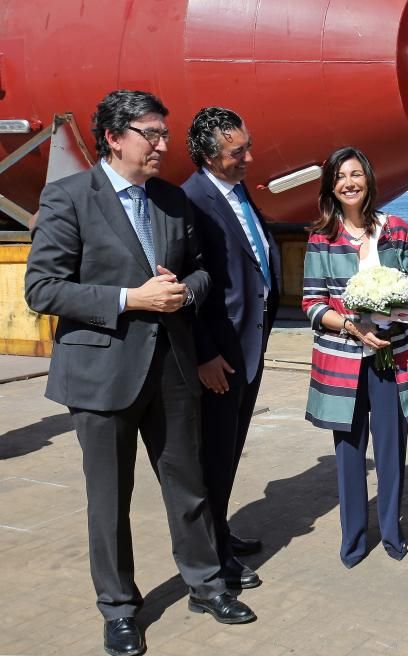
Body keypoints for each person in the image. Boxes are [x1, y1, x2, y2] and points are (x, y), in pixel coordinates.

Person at [24, 90, 256, 656]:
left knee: (189, 486)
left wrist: (181, 292)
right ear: (113, 137)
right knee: (110, 498)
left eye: (163, 133)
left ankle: (205, 584)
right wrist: (133, 298)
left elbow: (202, 272)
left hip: (172, 369)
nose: (161, 144)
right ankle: (120, 608)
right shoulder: (68, 198)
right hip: (102, 376)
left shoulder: (173, 201)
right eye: (150, 133)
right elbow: (42, 289)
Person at [302, 146, 408, 568]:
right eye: (341, 175)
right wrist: (350, 325)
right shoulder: (321, 237)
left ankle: (393, 531)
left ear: (369, 179)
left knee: (392, 447)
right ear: (331, 185)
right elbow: (311, 302)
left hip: (392, 355)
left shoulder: (395, 228)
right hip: (342, 357)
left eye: (357, 174)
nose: (350, 182)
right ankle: (354, 538)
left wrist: (398, 307)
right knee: (349, 451)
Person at [182, 107, 280, 589]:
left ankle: (219, 530)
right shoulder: (192, 201)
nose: (249, 157)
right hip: (220, 355)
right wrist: (204, 354)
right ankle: (214, 555)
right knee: (212, 458)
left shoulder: (236, 189)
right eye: (237, 151)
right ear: (207, 155)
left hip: (249, 345)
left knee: (229, 452)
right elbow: (187, 289)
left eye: (247, 145)